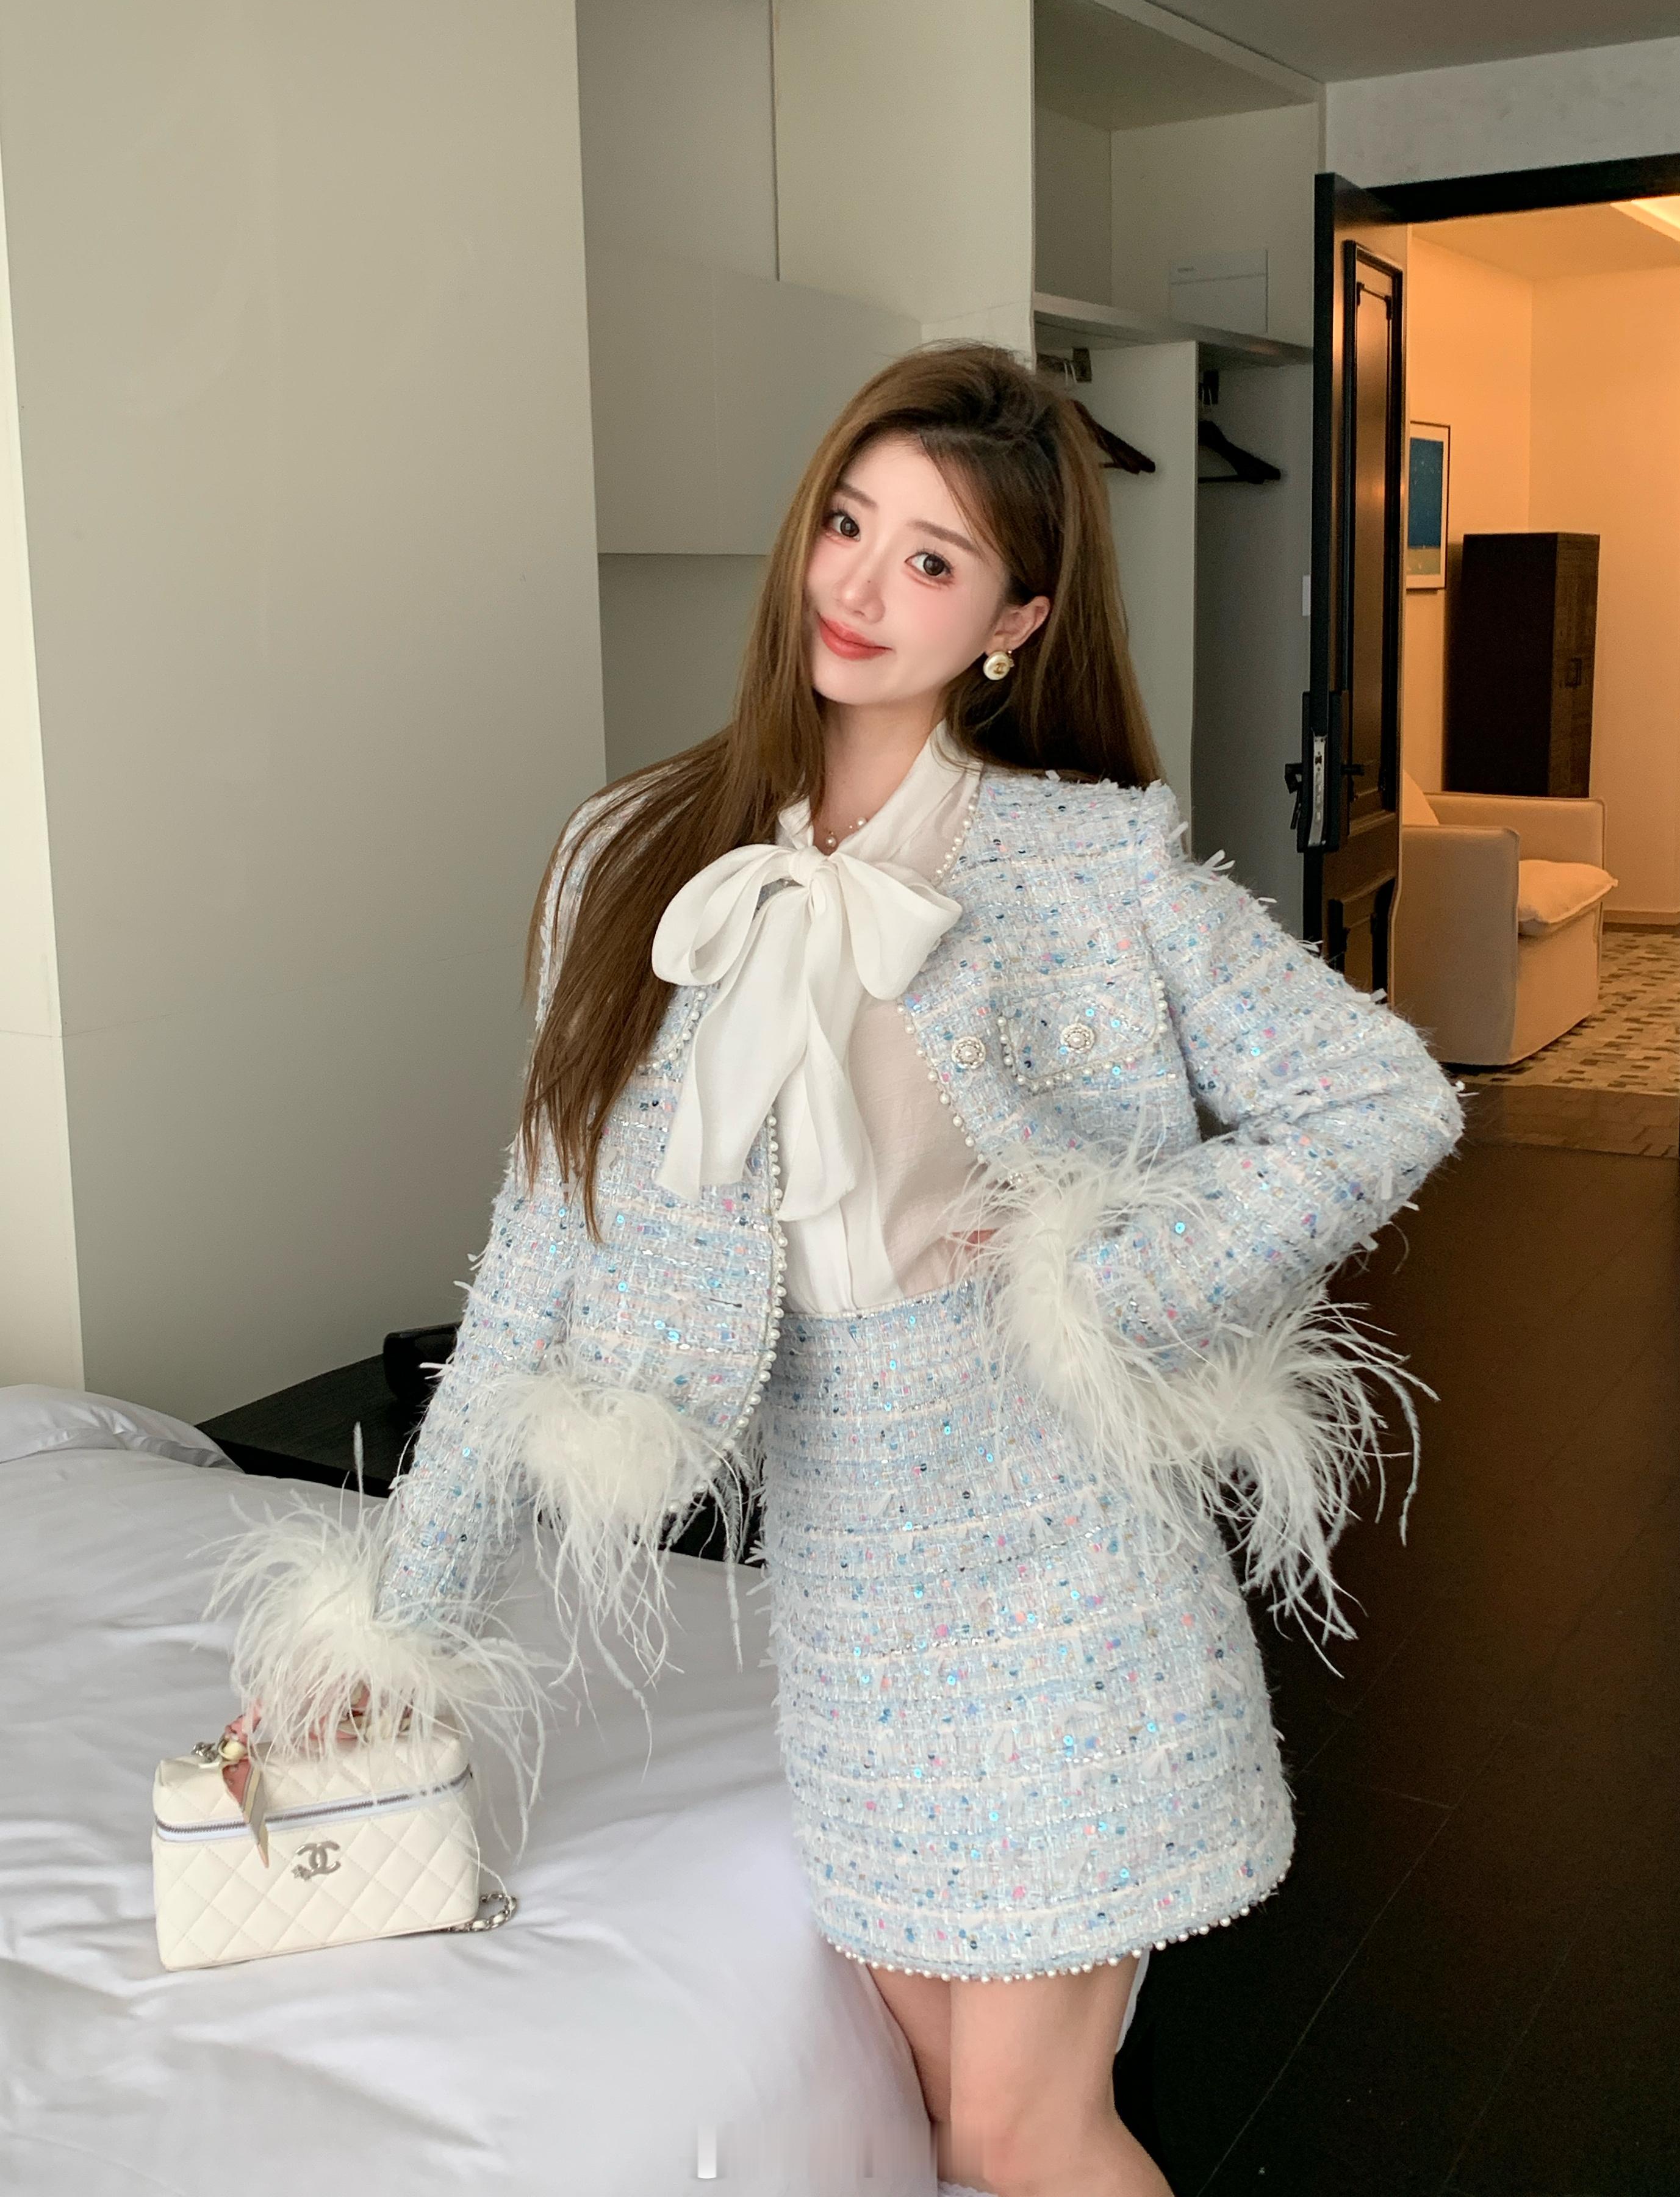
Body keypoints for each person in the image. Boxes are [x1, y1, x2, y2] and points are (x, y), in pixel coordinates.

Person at [213, 342, 1464, 2197]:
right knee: (924, 2104)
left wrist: (1105, 1271)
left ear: (1014, 623)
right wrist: (393, 1627)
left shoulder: (1086, 867)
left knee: (1023, 2132)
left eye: (933, 561)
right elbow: (540, 1257)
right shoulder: (631, 854)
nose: (862, 587)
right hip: (847, 1575)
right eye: (848, 525)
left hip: (1064, 1551)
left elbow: (1380, 1096)